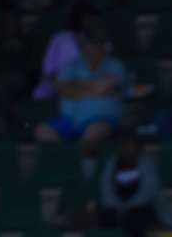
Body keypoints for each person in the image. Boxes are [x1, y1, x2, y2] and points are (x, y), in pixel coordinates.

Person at [34, 27, 125, 170]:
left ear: (102, 46)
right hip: (69, 120)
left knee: (93, 134)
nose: (91, 48)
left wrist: (76, 85)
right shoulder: (70, 66)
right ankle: (69, 165)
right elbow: (61, 87)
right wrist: (95, 87)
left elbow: (107, 86)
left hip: (101, 118)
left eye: (96, 44)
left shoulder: (115, 65)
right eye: (88, 44)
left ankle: (73, 167)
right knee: (42, 132)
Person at [98, 133, 170, 237]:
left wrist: (126, 208)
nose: (126, 148)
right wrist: (118, 208)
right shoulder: (112, 163)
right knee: (105, 218)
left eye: (130, 144)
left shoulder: (147, 163)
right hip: (117, 207)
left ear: (138, 147)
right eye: (123, 145)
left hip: (144, 207)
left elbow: (149, 192)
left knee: (132, 219)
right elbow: (106, 190)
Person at [33, 2, 100, 101]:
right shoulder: (60, 38)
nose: (90, 21)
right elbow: (47, 69)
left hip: (89, 86)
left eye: (92, 18)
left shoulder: (100, 39)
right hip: (56, 87)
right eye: (87, 18)